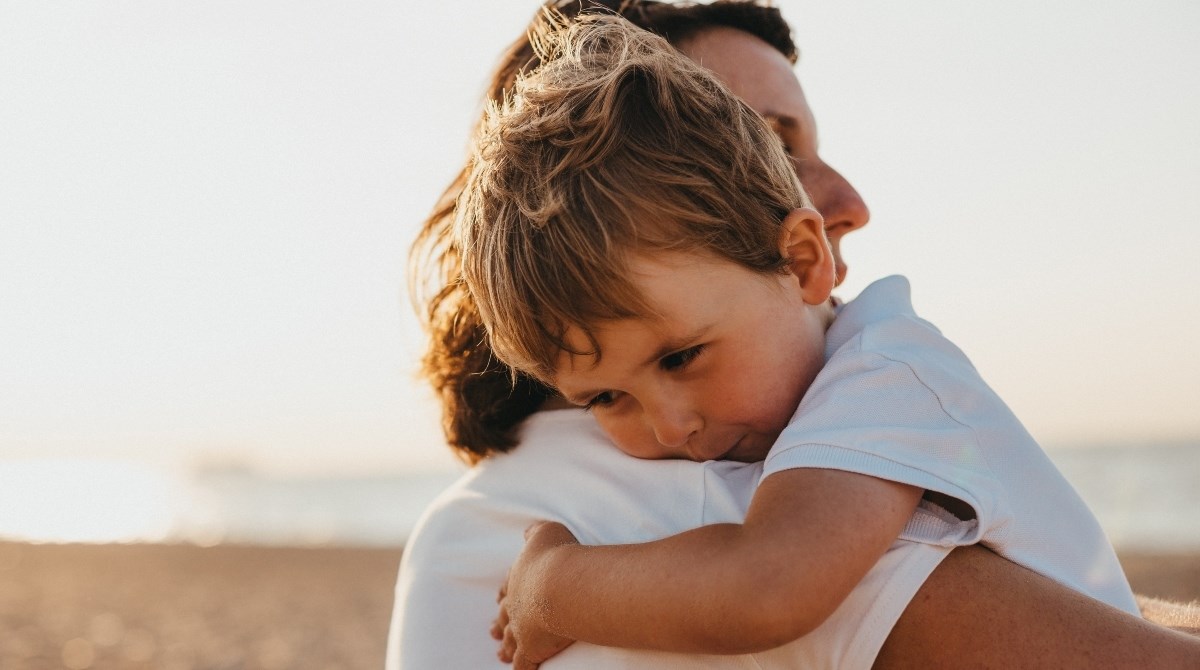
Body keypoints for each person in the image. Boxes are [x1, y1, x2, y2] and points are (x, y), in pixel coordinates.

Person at [387, 2, 1200, 668]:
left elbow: (771, 582)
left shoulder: (878, 375)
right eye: (768, 141)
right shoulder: (678, 487)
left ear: (800, 258)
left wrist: (554, 587)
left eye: (680, 358)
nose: (668, 428)